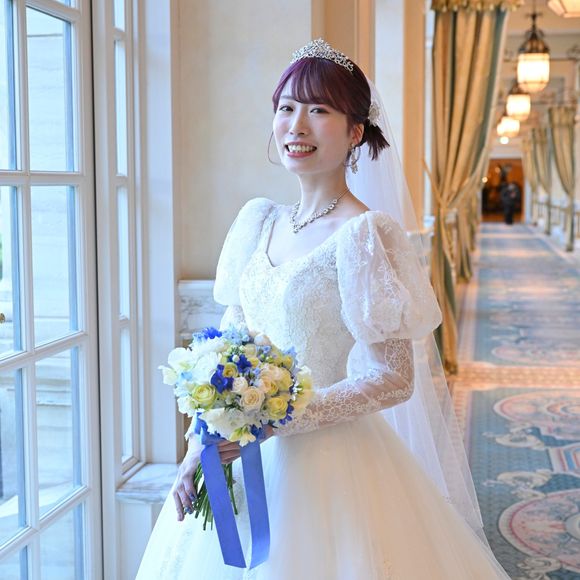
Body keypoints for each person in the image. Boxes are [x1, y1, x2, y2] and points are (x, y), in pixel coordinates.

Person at [137, 39, 509, 579]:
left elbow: (393, 379)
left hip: (332, 464)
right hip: (241, 452)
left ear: (355, 131)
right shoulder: (257, 221)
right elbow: (230, 345)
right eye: (287, 108)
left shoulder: (365, 235)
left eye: (319, 110)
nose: (297, 126)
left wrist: (277, 421)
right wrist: (202, 442)